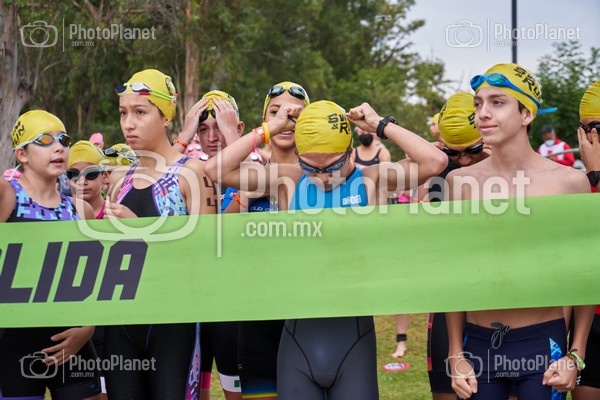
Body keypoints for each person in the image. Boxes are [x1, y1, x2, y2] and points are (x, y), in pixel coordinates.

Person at [206, 99, 447, 399]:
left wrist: (379, 124)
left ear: (349, 151)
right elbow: (215, 169)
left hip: (354, 341)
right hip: (297, 340)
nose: (322, 176)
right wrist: (273, 127)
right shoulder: (289, 180)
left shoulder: (371, 180)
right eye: (311, 166)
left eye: (332, 166)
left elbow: (435, 162)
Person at [445, 63, 595, 400]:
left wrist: (576, 354)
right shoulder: (460, 183)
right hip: (478, 343)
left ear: (527, 114)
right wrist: (455, 352)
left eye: (497, 103)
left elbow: (584, 274)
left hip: (544, 343)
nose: (483, 113)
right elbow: (454, 273)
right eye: (478, 104)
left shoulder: (569, 183)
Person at [102, 68, 213, 400]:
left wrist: (142, 231)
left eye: (140, 112)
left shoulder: (191, 174)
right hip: (121, 324)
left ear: (165, 116)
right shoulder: (119, 181)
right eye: (123, 113)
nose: (128, 123)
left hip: (173, 323)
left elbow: (208, 255)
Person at [0, 110, 101, 400]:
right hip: (15, 341)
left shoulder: (80, 210)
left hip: (73, 339)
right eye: (44, 140)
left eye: (63, 140)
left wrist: (87, 328)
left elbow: (97, 278)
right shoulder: (7, 195)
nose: (58, 147)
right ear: (22, 154)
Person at [231, 81, 310, 400]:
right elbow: (217, 237)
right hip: (257, 313)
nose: (285, 120)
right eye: (276, 113)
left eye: (295, 114)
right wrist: (243, 199)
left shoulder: (322, 177)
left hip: (304, 314)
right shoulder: (245, 175)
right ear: (265, 120)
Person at [174, 89, 245, 400]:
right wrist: (182, 136)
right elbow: (153, 183)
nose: (212, 137)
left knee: (236, 391)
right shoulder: (190, 172)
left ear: (238, 128)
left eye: (220, 127)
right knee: (194, 391)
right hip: (196, 303)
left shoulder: (258, 169)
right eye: (203, 129)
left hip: (235, 306)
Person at [424, 92, 490, 400]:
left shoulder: (513, 171)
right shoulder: (439, 174)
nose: (463, 160)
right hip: (450, 298)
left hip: (500, 305)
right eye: (453, 152)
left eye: (473, 150)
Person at [574, 79, 600, 400]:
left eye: (598, 127)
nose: (592, 137)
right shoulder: (580, 184)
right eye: (585, 129)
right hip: (590, 319)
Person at [67, 140, 109, 219]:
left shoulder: (114, 214)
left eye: (90, 174)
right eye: (74, 174)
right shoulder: (63, 215)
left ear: (105, 176)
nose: (82, 182)